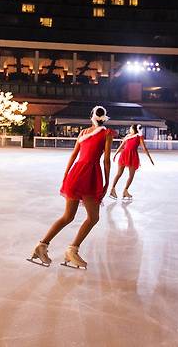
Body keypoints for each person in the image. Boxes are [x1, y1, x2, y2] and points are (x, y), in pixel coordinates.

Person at [28, 106, 115, 269]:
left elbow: (74, 155)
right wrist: (107, 182)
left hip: (75, 173)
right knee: (93, 217)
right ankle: (72, 250)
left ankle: (42, 245)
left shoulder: (83, 133)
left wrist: (66, 175)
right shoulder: (107, 133)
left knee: (68, 216)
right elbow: (106, 161)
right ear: (104, 118)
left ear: (92, 117)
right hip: (89, 175)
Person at [109, 124, 155, 201]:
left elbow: (144, 148)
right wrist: (115, 154)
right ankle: (112, 190)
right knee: (119, 173)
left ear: (134, 129)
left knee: (131, 175)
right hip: (124, 155)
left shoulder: (139, 137)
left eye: (130, 128)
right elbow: (122, 146)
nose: (129, 129)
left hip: (133, 157)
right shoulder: (127, 136)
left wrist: (150, 158)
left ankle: (125, 191)